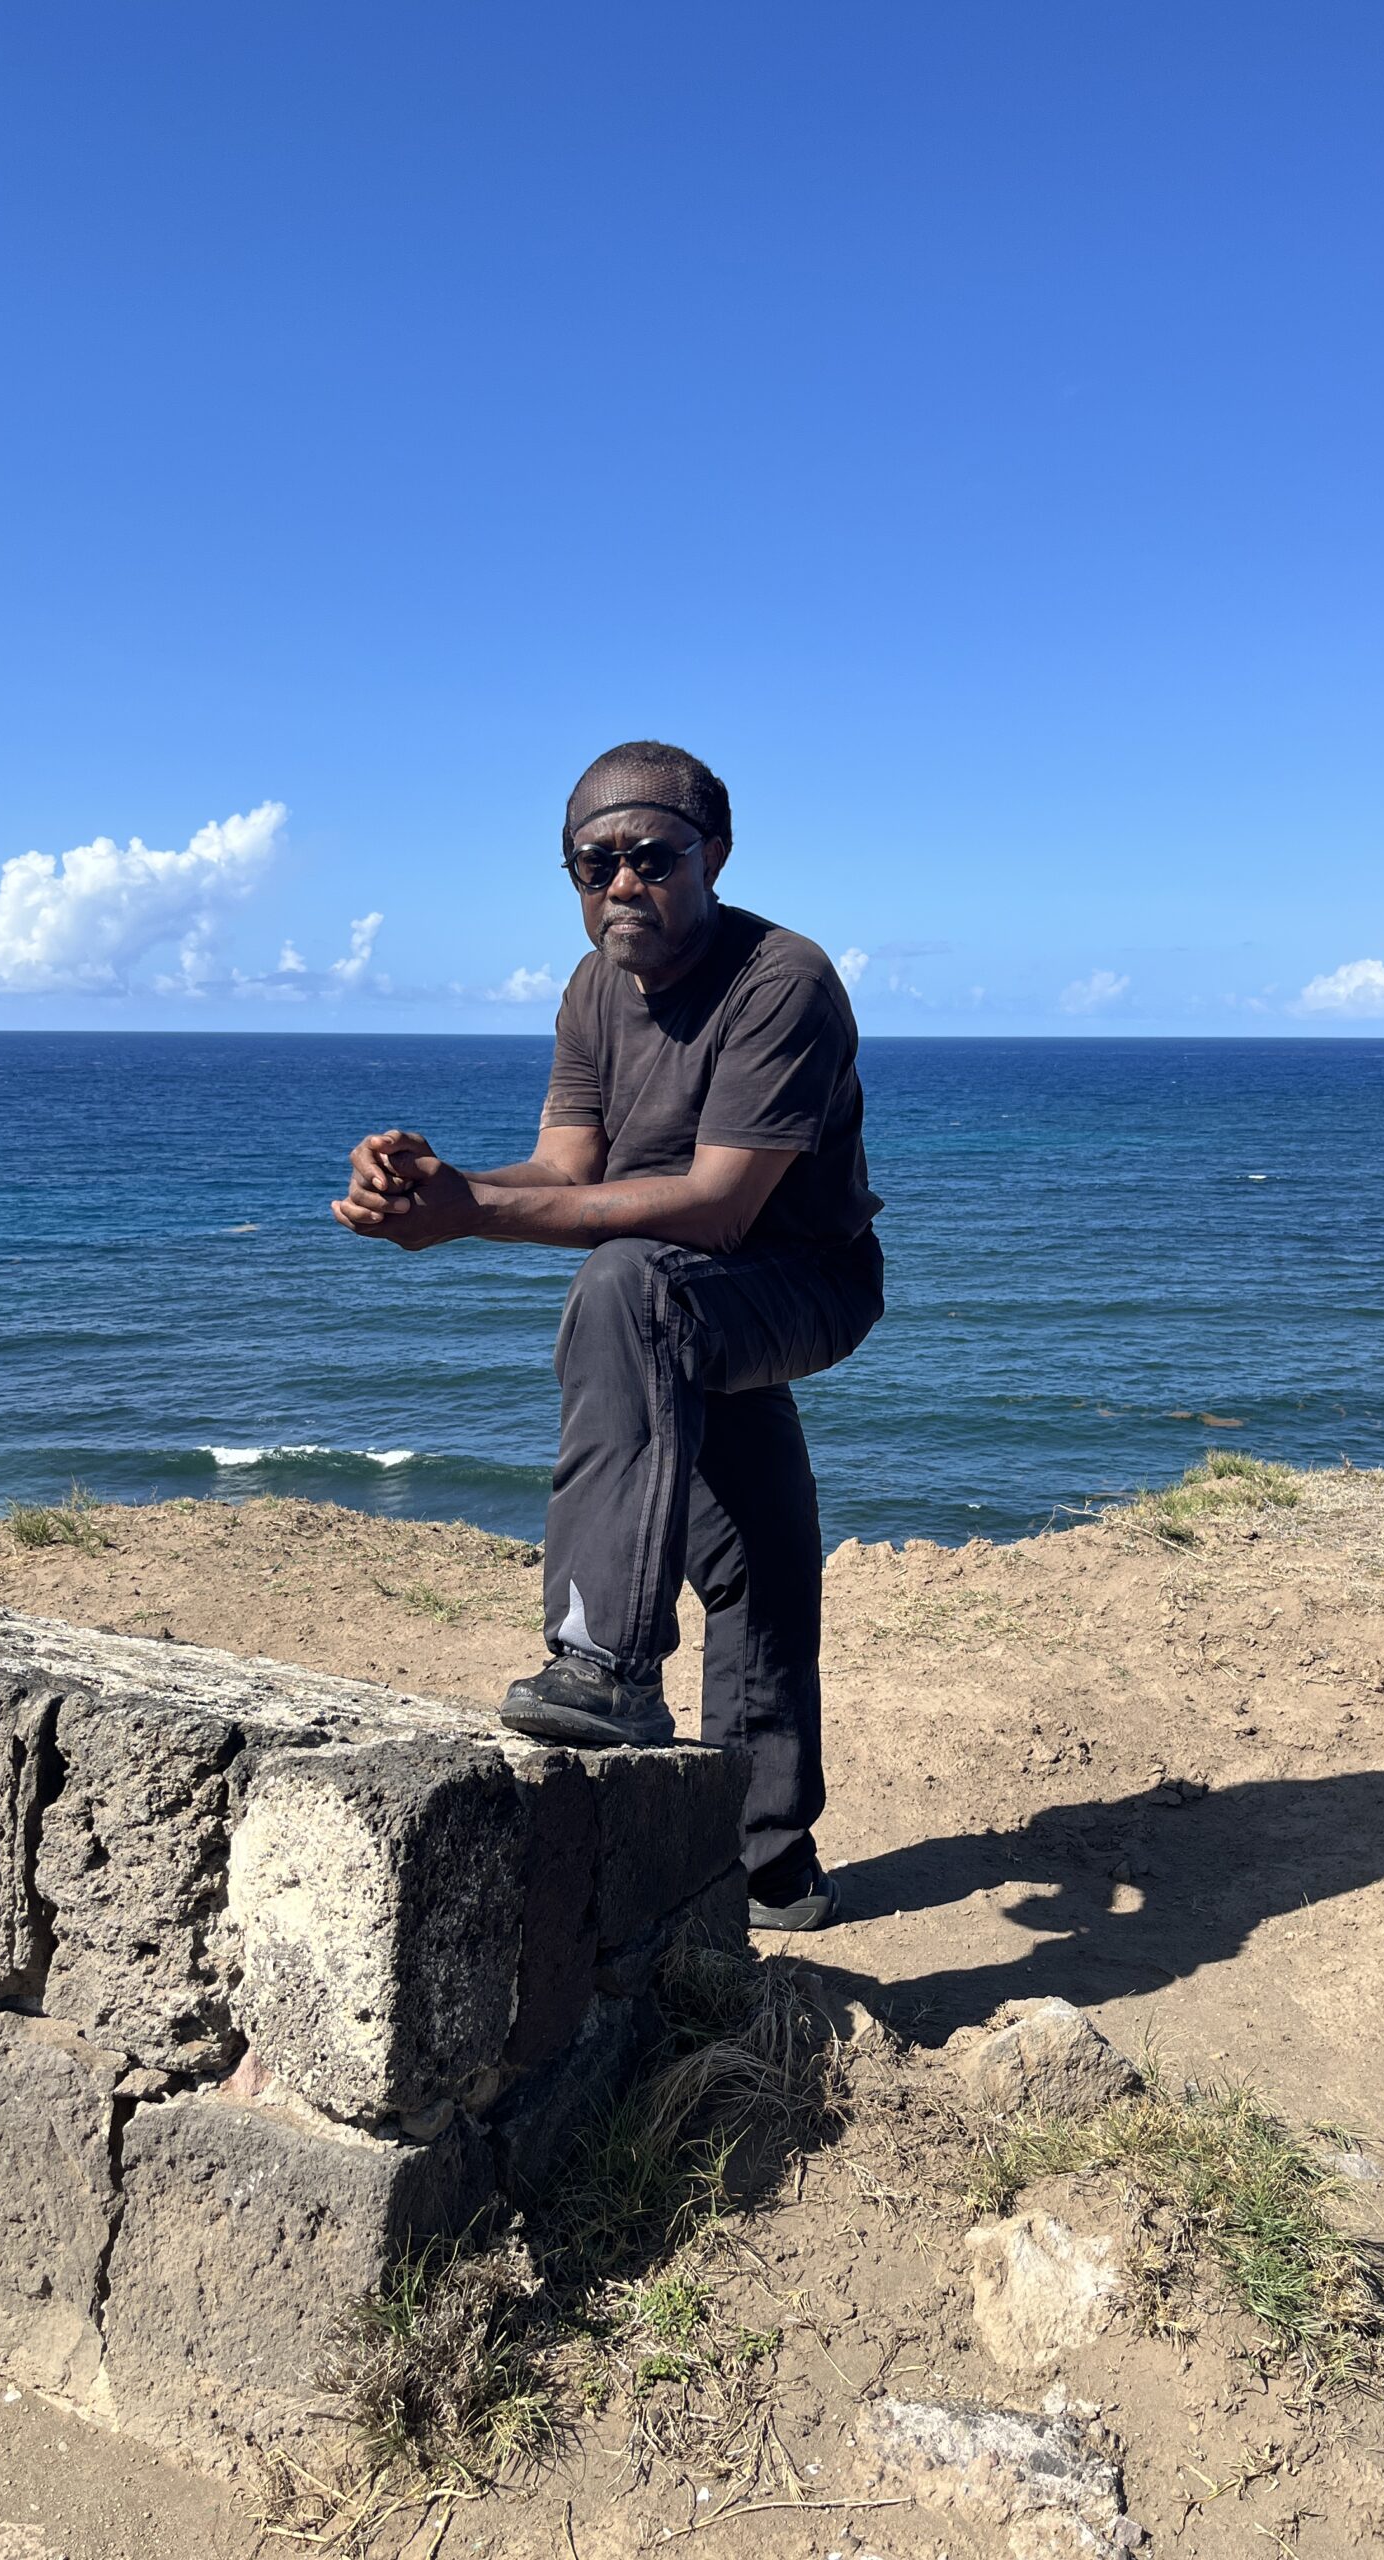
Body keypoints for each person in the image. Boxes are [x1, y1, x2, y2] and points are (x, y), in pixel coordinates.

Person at [332, 741, 884, 1930]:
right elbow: (565, 1168)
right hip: (688, 1293)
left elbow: (721, 1204)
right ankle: (765, 1855)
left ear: (713, 855)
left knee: (628, 1287)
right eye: (594, 864)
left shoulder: (781, 980)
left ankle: (603, 1660)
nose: (622, 883)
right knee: (758, 1553)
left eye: (652, 858)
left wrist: (475, 1215)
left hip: (798, 1276)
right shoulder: (593, 988)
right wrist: (447, 1186)